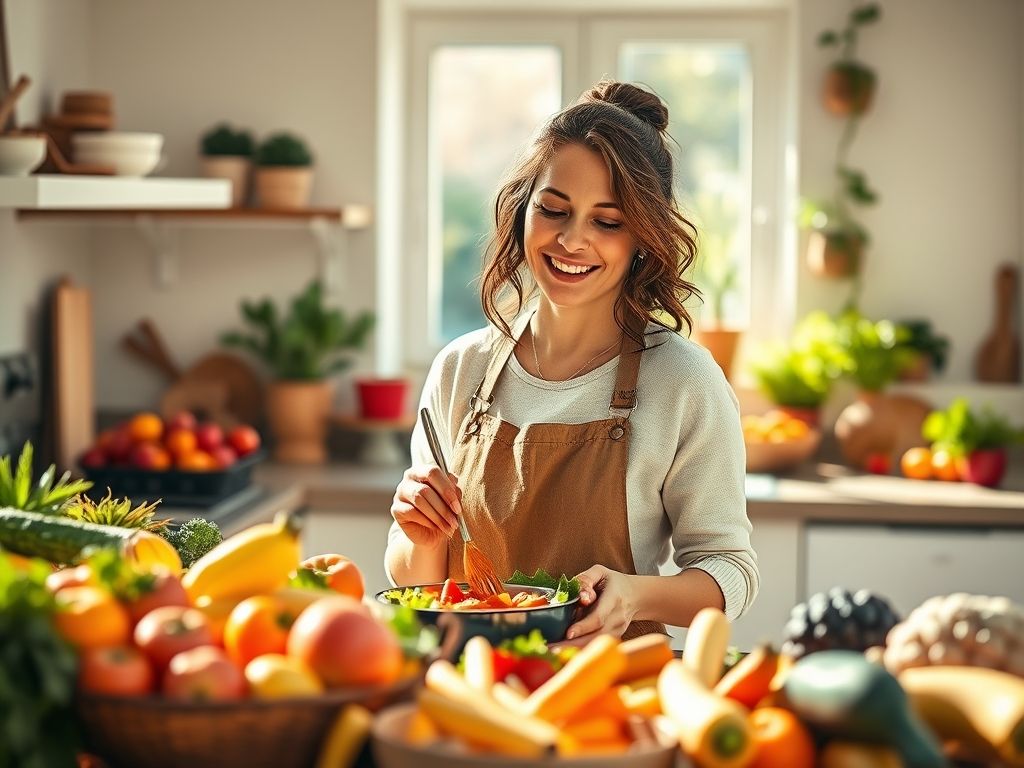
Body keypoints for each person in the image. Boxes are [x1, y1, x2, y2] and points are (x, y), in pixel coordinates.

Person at [385, 79, 757, 643]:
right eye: (554, 210)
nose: (572, 240)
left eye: (607, 222)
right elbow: (414, 579)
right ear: (523, 210)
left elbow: (730, 571)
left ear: (643, 236)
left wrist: (635, 595)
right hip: (470, 680)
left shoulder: (683, 381)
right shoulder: (461, 369)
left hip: (609, 681)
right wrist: (421, 535)